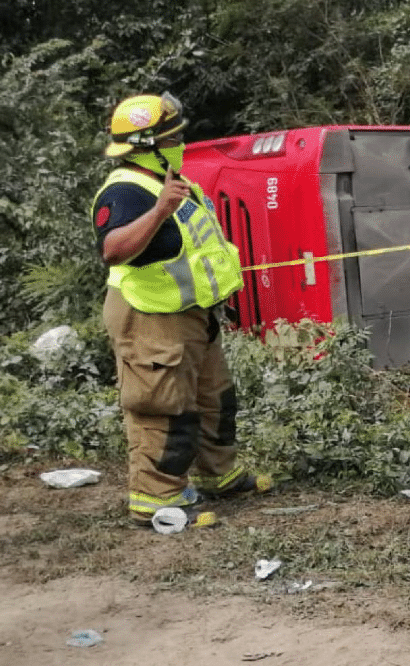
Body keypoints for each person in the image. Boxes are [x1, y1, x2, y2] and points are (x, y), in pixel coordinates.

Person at [93, 92, 272, 529]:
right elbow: (112, 249)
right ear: (147, 145)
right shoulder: (126, 190)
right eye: (172, 136)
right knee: (163, 406)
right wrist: (159, 211)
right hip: (152, 316)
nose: (180, 142)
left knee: (214, 398)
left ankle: (221, 475)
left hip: (194, 314)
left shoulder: (169, 181)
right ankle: (155, 500)